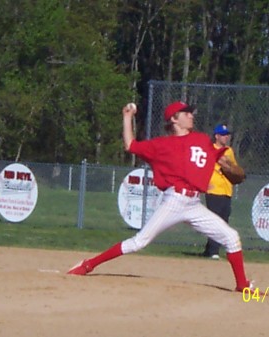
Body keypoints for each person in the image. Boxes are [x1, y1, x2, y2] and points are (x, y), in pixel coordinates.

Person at [67, 101, 257, 293]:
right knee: (139, 242)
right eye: (186, 113)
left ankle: (242, 284)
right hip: (174, 200)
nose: (191, 115)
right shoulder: (161, 145)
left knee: (232, 237)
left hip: (194, 204)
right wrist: (127, 117)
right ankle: (88, 264)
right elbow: (130, 145)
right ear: (174, 119)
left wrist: (233, 169)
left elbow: (223, 161)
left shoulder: (201, 140)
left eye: (190, 113)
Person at [202, 124, 239, 260]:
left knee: (224, 220)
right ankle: (213, 251)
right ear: (216, 136)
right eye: (223, 134)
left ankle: (209, 249)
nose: (226, 137)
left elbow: (234, 168)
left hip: (226, 190)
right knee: (215, 220)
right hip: (213, 189)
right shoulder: (209, 150)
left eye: (227, 134)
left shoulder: (229, 151)